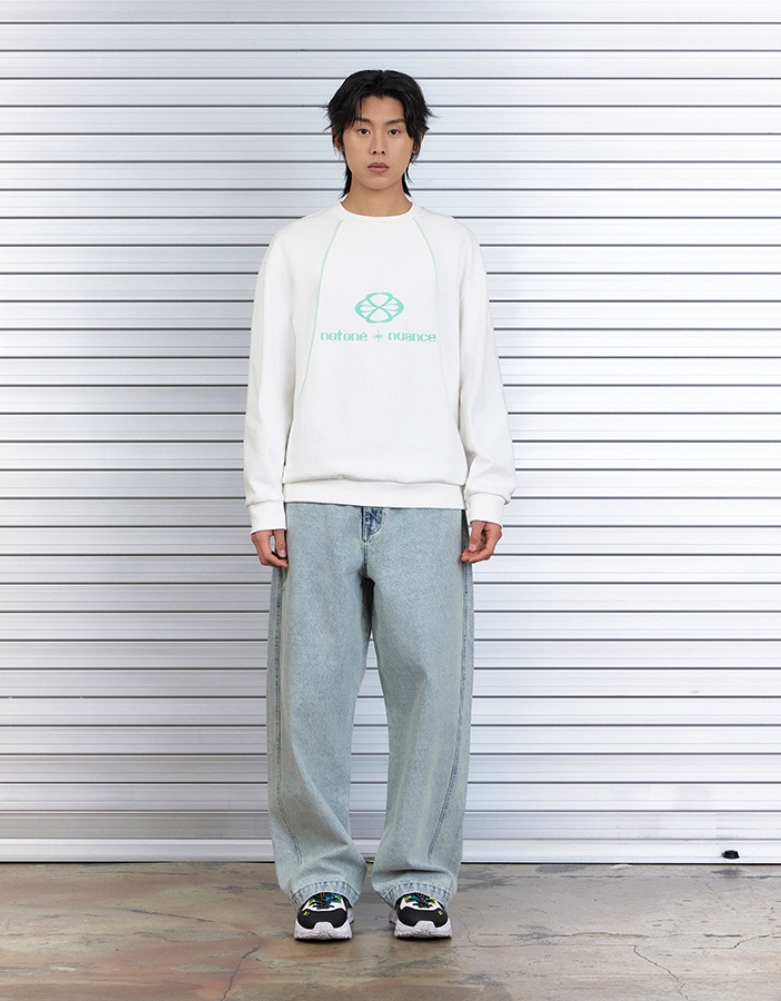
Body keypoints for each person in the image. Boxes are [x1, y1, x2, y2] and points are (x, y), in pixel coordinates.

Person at [243, 69, 516, 942]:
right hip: (317, 501)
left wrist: (486, 486)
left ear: (416, 141)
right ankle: (320, 879)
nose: (378, 145)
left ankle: (418, 878)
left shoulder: (450, 245)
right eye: (362, 129)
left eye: (395, 130)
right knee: (310, 701)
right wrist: (265, 499)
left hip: (428, 504)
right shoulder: (298, 246)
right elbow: (269, 382)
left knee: (432, 697)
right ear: (338, 138)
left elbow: (478, 374)